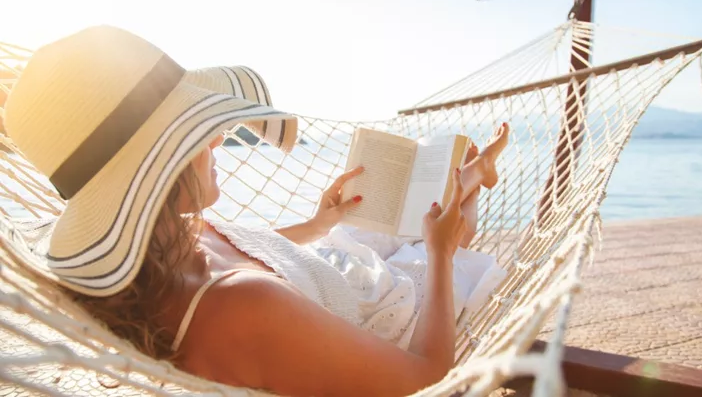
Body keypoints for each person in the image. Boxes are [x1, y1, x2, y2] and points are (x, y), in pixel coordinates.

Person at [3, 25, 509, 397]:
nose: (220, 136)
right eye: (198, 130)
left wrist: (317, 223)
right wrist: (441, 255)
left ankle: (465, 181)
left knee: (406, 223)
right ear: (156, 166)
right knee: (436, 241)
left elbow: (245, 249)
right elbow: (428, 379)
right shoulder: (244, 308)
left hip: (328, 269)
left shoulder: (154, 247)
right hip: (378, 320)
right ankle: (470, 184)